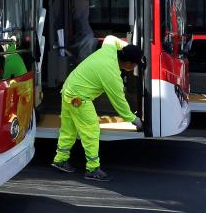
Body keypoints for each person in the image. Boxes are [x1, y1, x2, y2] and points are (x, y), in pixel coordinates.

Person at [51, 35, 144, 182]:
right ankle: (92, 169)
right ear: (129, 64)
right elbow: (119, 102)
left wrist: (125, 45)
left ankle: (60, 159)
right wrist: (134, 119)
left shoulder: (110, 49)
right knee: (91, 131)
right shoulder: (111, 74)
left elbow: (110, 38)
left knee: (68, 129)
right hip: (79, 99)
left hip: (68, 89)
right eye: (135, 64)